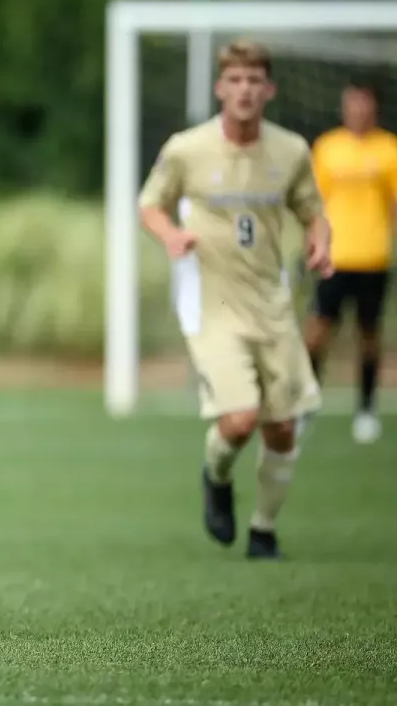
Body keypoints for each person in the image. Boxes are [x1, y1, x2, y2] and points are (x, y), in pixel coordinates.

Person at [137, 39, 333, 560]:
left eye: (254, 81)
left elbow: (313, 211)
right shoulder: (187, 149)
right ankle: (215, 474)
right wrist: (171, 237)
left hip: (272, 304)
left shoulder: (291, 150)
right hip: (214, 307)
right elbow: (150, 205)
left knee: (283, 427)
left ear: (268, 90)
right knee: (241, 419)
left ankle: (264, 531)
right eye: (236, 80)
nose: (245, 90)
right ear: (221, 87)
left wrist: (321, 240)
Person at [303, 79, 397, 444]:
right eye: (351, 104)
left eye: (363, 104)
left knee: (369, 335)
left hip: (373, 257)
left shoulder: (389, 149)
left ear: (373, 107)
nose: (357, 110)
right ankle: (307, 406)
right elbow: (314, 202)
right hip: (334, 257)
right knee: (316, 334)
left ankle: (367, 409)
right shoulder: (328, 148)